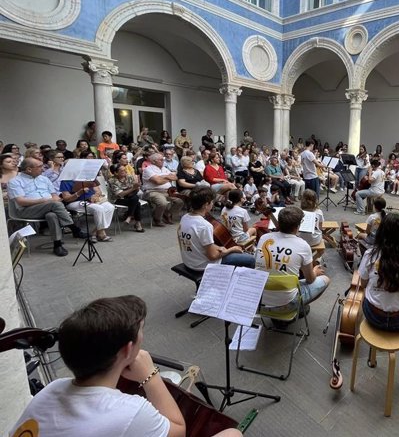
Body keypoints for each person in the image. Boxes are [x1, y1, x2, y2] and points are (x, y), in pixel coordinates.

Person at [10, 294, 242, 437]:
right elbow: (178, 431)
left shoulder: (51, 389)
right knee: (232, 434)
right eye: (141, 331)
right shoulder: (131, 412)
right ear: (127, 350)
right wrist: (151, 376)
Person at [254, 206, 330, 310]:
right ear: (298, 226)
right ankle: (299, 308)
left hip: (260, 300)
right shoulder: (303, 245)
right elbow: (310, 280)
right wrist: (315, 271)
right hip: (287, 303)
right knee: (325, 279)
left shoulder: (264, 238)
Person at [8, 158, 86, 256]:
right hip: (26, 210)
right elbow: (21, 202)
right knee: (54, 205)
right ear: (29, 169)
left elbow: (54, 195)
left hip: (49, 207)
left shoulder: (44, 179)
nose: (43, 169)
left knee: (52, 215)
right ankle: (74, 229)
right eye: (40, 167)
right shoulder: (15, 181)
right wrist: (45, 201)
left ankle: (57, 245)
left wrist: (55, 199)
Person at [358, 213, 399, 331]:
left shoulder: (371, 255)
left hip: (374, 316)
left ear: (381, 233)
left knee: (365, 296)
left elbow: (363, 284)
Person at [178, 187, 255, 270]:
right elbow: (213, 256)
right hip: (202, 266)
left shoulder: (184, 217)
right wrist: (231, 249)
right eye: (211, 202)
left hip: (189, 261)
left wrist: (219, 248)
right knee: (251, 259)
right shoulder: (205, 226)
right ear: (206, 205)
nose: (212, 204)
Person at [60, 164, 116, 243]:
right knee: (98, 209)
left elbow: (98, 191)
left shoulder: (87, 177)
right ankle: (101, 233)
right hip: (76, 202)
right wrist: (78, 193)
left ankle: (94, 232)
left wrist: (95, 196)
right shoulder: (65, 181)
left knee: (110, 207)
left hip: (91, 200)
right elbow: (66, 198)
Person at [142, 152, 183, 226]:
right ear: (154, 161)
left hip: (167, 191)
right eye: (161, 160)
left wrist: (162, 177)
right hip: (153, 191)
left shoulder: (164, 169)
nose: (163, 160)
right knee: (162, 203)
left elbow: (175, 177)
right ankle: (157, 219)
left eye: (163, 159)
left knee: (180, 200)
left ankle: (167, 214)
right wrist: (168, 177)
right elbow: (157, 182)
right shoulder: (148, 169)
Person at [108, 163, 145, 232]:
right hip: (118, 199)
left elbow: (136, 190)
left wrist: (136, 187)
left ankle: (129, 217)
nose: (125, 171)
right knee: (136, 201)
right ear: (115, 173)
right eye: (122, 171)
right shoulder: (112, 181)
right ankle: (136, 222)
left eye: (125, 170)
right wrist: (133, 188)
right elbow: (120, 195)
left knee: (135, 198)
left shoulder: (129, 177)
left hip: (131, 197)